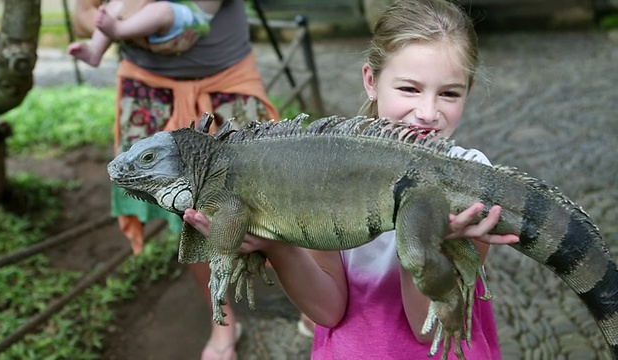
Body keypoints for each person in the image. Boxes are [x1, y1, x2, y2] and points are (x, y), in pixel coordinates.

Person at [183, 0, 520, 358]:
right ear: (371, 81)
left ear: (468, 90)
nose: (427, 112)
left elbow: (427, 331)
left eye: (449, 93)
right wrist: (277, 245)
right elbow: (328, 310)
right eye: (409, 89)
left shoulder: (470, 180)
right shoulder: (321, 172)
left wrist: (428, 240)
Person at [72, 1, 280, 359]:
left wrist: (136, 26)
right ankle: (224, 323)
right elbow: (82, 13)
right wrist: (118, 23)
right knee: (186, 216)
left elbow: (197, 17)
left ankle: (313, 300)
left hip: (226, 83)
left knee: (268, 199)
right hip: (149, 90)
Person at [69, 0, 217, 67]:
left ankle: (119, 29)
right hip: (143, 74)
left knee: (161, 10)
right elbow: (83, 13)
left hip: (192, 17)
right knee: (114, 5)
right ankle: (95, 52)